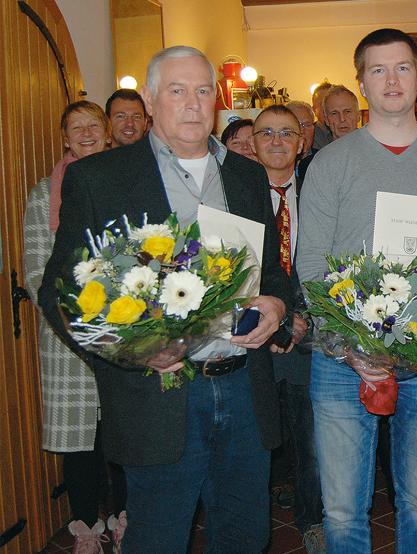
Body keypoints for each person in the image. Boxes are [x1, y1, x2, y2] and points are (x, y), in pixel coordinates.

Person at [38, 45, 293, 552]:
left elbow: (271, 273)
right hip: (158, 395)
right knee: (158, 539)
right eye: (177, 91)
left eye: (203, 91)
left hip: (243, 387)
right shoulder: (100, 178)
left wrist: (278, 306)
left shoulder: (245, 176)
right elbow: (59, 293)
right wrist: (131, 351)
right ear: (151, 100)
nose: (193, 104)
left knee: (245, 537)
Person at [297, 28, 417, 552]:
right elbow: (310, 261)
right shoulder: (331, 162)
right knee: (342, 510)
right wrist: (348, 343)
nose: (391, 80)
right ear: (361, 82)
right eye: (378, 70)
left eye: (402, 67)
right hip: (342, 361)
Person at [23, 100, 125, 553]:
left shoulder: (127, 181)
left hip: (126, 330)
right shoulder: (45, 193)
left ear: (106, 132)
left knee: (124, 431)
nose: (85, 133)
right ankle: (86, 525)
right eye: (75, 127)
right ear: (65, 138)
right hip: (67, 336)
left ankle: (125, 518)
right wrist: (81, 322)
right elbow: (36, 272)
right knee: (80, 439)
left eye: (92, 125)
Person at [251, 104, 326, 553]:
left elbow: (330, 260)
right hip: (254, 337)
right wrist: (273, 320)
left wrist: (301, 317)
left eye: (286, 133)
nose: (276, 141)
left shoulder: (319, 193)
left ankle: (312, 520)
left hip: (308, 335)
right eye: (266, 133)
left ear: (301, 143)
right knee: (254, 441)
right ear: (252, 143)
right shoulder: (237, 196)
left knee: (310, 440)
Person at [311, 81, 335, 150]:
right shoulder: (310, 136)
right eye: (322, 104)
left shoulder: (349, 132)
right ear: (314, 110)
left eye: (331, 103)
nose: (327, 109)